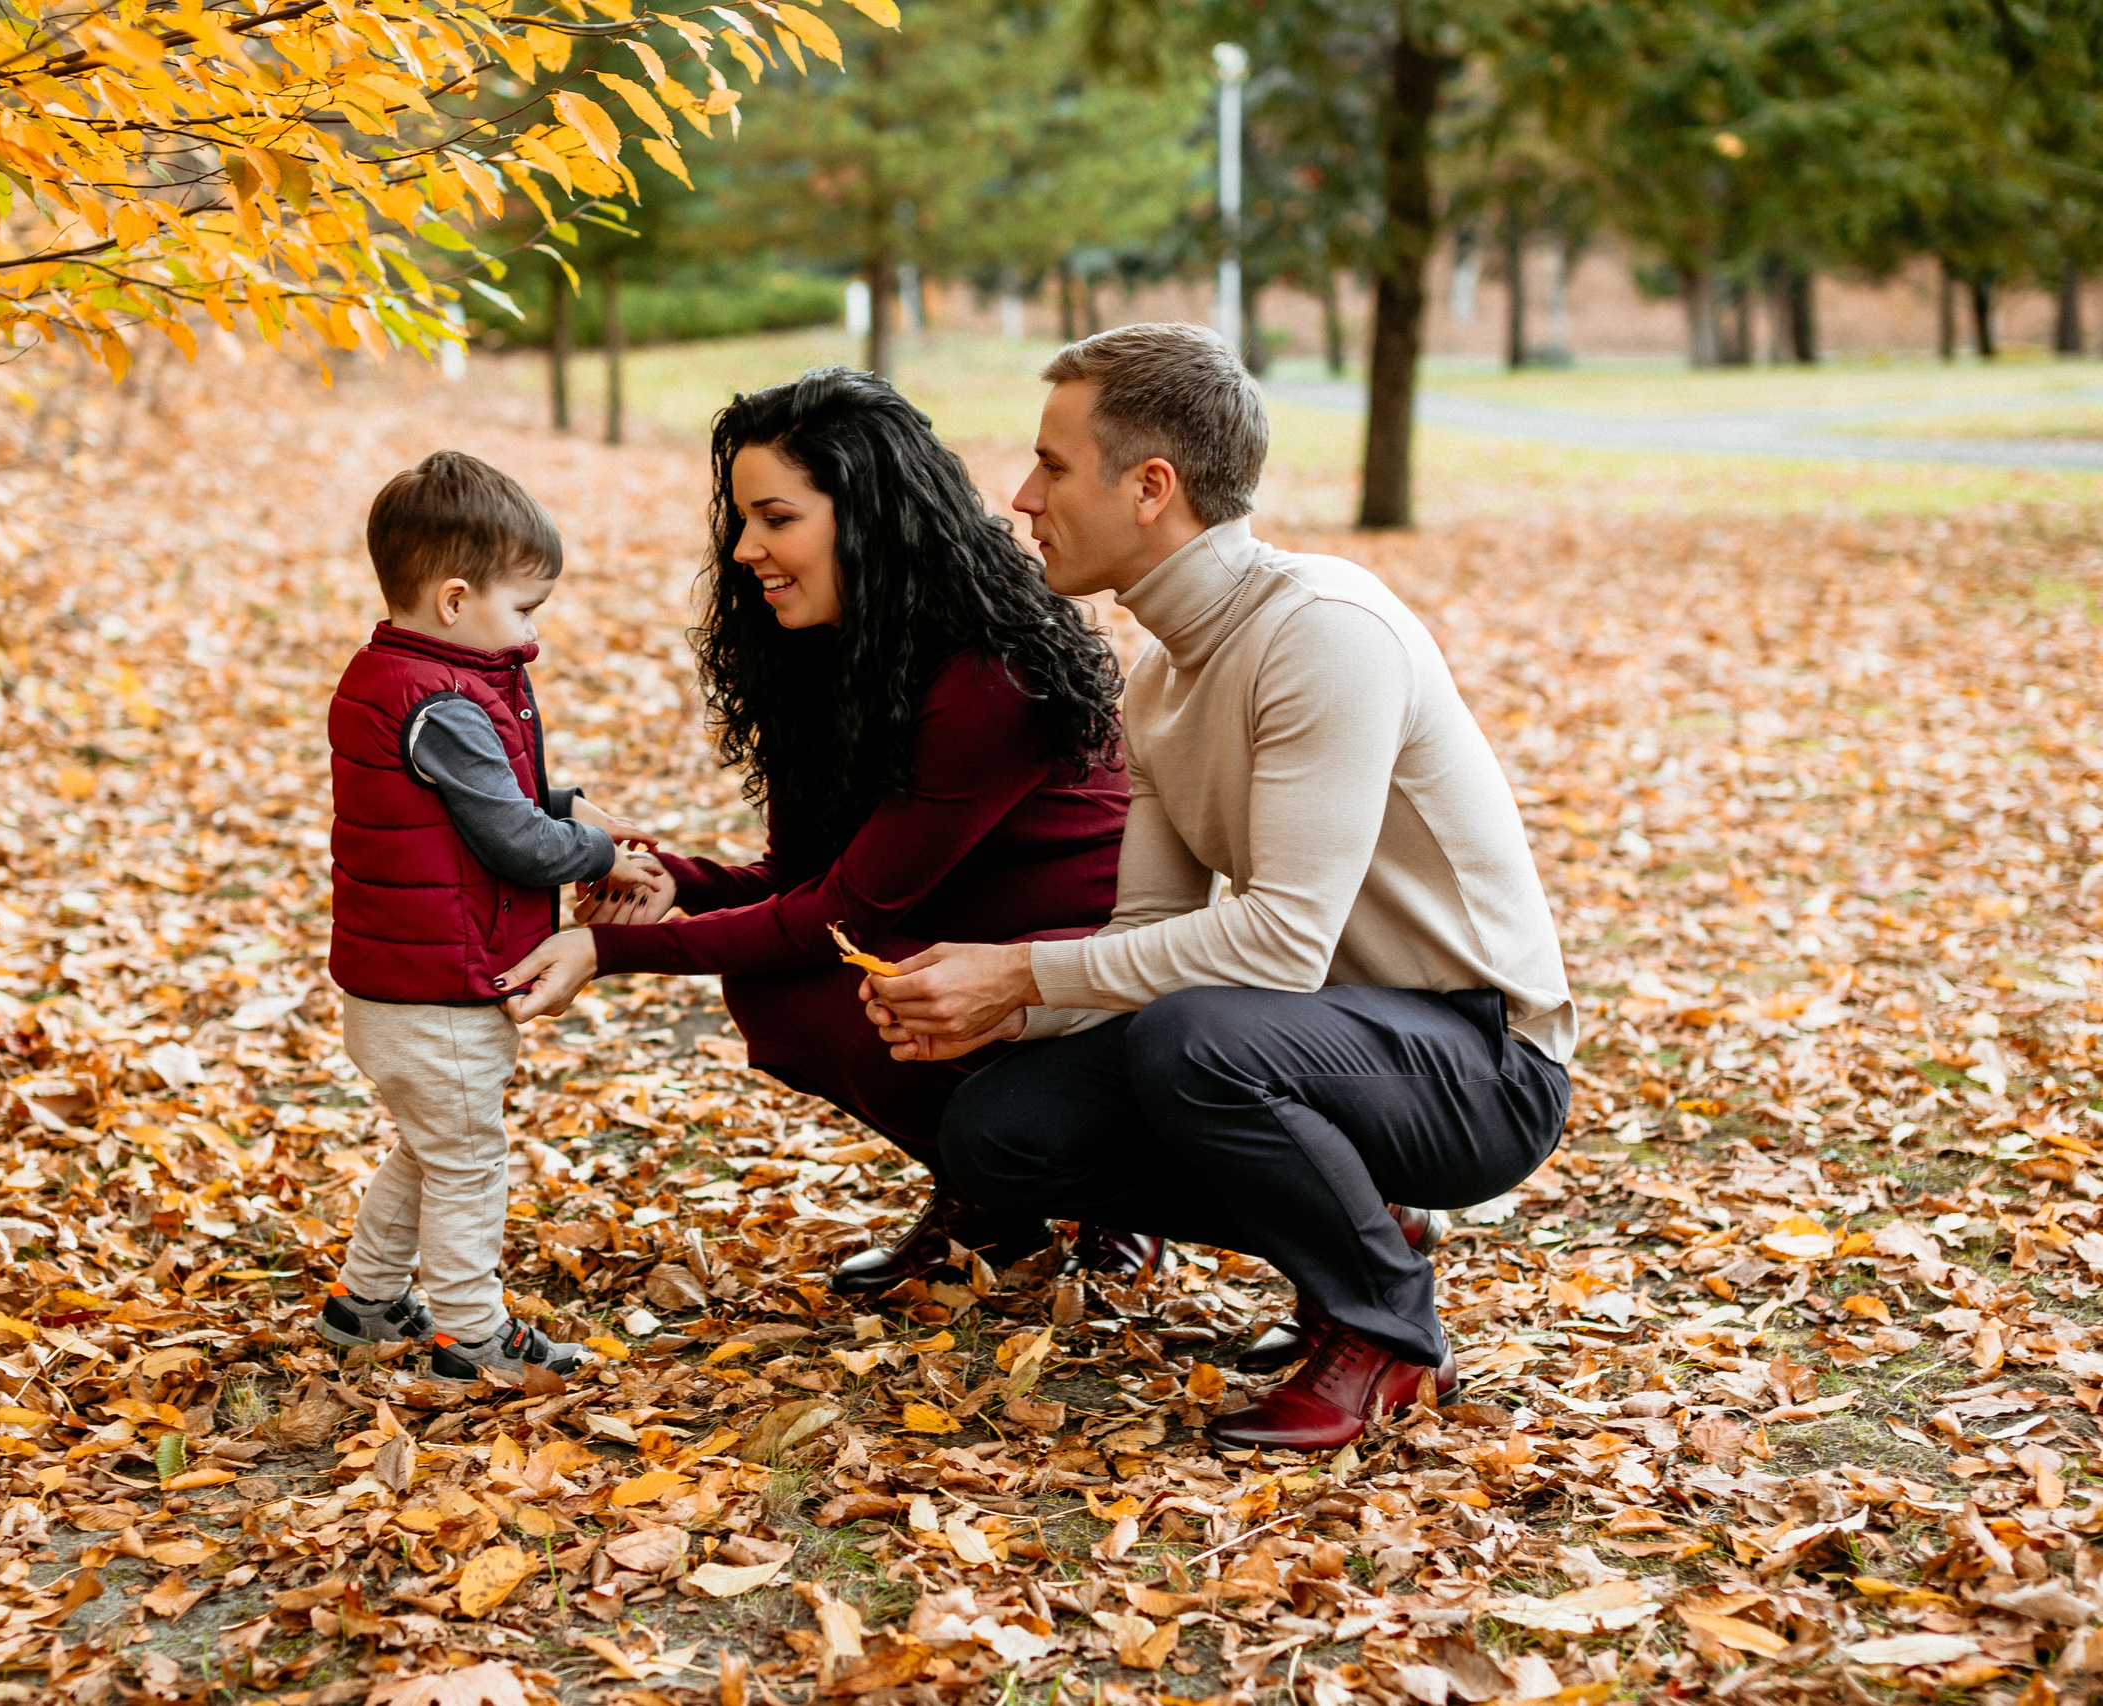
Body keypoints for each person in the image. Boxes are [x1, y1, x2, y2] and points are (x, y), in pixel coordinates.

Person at [866, 324, 1577, 1450]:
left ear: (1151, 487)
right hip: (1319, 1042)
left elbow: (1280, 943)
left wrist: (1020, 970)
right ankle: (1358, 1229)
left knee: (1196, 1040)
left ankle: (1385, 1330)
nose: (1019, 496)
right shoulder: (1161, 679)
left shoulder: (1321, 632)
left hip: (1480, 1060)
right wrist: (1002, 1006)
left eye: (1051, 466)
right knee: (1001, 1128)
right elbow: (1150, 929)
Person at [499, 367, 1155, 1294]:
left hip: (1078, 975)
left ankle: (1116, 1189)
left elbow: (834, 912)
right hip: (945, 937)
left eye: (777, 518)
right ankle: (990, 1201)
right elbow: (803, 874)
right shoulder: (835, 658)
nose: (742, 550)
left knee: (821, 982)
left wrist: (604, 950)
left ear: (870, 514)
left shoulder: (987, 676)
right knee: (786, 995)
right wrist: (675, 879)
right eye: (740, 521)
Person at [318, 451, 658, 1385]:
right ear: (456, 599)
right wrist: (600, 857)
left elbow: (488, 796)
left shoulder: (405, 675)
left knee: (431, 1148)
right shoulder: (442, 701)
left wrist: (572, 805)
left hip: (397, 985)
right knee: (467, 1162)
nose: (533, 633)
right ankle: (472, 1335)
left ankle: (367, 1302)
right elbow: (508, 835)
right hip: (438, 989)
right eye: (525, 609)